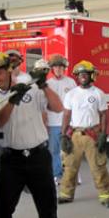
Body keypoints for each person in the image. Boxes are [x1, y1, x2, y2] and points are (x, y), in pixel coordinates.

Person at [0, 55, 63, 218]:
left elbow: (58, 107)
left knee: (46, 202)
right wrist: (11, 102)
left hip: (38, 155)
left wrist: (43, 86)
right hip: (10, 159)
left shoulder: (31, 88)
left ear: (8, 70)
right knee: (3, 207)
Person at [58, 60, 109, 208]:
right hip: (74, 135)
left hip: (92, 135)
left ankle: (106, 196)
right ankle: (66, 194)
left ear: (91, 76)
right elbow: (66, 115)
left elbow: (103, 115)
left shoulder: (98, 94)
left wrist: (103, 135)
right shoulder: (71, 94)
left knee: (98, 166)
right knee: (70, 167)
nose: (83, 76)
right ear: (77, 76)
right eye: (80, 74)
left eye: (85, 74)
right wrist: (63, 135)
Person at [46, 54, 77, 184]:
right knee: (54, 150)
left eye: (60, 67)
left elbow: (76, 101)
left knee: (69, 149)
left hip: (68, 122)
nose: (58, 69)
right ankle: (57, 174)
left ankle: (73, 174)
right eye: (55, 67)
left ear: (64, 68)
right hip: (53, 122)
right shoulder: (48, 84)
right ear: (52, 69)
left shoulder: (71, 82)